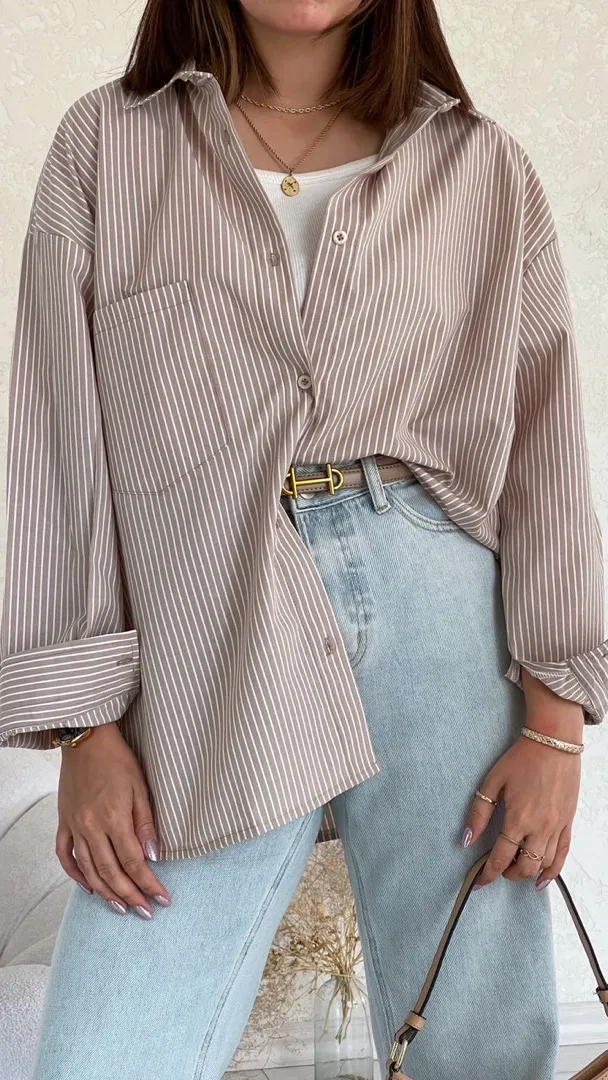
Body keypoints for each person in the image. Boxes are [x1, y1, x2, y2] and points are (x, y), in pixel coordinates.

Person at [1, 1, 606, 1078]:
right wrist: (87, 728)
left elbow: (544, 444)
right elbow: (57, 441)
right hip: (212, 619)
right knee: (104, 1055)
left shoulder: (480, 166)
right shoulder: (109, 144)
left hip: (437, 611)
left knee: (477, 1048)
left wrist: (556, 729)